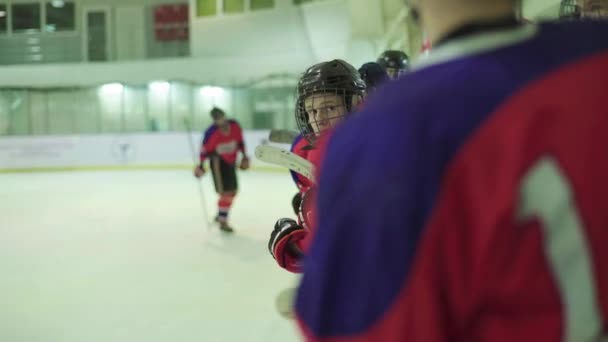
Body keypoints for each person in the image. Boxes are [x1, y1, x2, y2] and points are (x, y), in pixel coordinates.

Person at [296, 0, 608, 340]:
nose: (320, 118)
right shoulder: (594, 54)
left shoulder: (386, 136)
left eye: (327, 106)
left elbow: (354, 327)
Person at [268, 59, 366, 273]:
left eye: (329, 108)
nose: (319, 119)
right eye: (311, 112)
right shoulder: (308, 150)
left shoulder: (372, 152)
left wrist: (293, 249)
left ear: (356, 103)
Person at [194, 107, 249, 233]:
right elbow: (204, 150)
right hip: (218, 163)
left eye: (221, 117)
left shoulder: (234, 125)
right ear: (214, 120)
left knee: (233, 191)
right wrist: (201, 165)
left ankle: (220, 215)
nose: (220, 120)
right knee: (225, 193)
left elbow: (240, 142)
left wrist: (244, 156)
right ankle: (223, 220)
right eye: (217, 119)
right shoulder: (211, 132)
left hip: (231, 163)